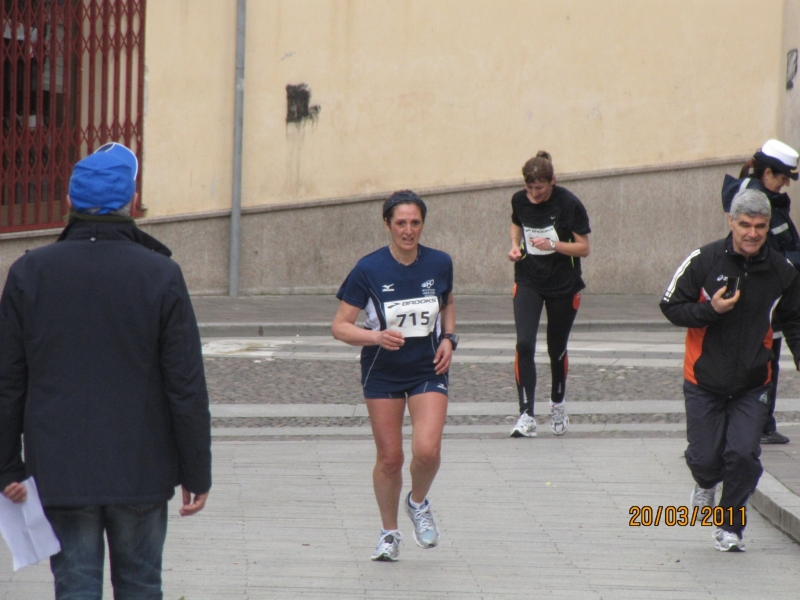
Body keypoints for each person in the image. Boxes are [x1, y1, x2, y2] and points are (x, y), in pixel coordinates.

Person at [0, 143, 212, 598]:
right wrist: (197, 470)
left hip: (60, 467)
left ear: (70, 203)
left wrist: (6, 466)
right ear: (131, 203)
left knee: (74, 585)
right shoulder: (159, 274)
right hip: (141, 467)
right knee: (140, 585)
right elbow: (185, 384)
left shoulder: (29, 272)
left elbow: (8, 381)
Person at [661, 189, 800, 552]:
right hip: (704, 377)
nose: (753, 233)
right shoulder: (704, 260)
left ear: (769, 226)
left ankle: (730, 524)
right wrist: (711, 311)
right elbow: (670, 305)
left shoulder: (782, 272)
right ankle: (705, 481)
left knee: (742, 453)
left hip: (754, 381)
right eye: (745, 225)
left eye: (761, 226)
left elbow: (795, 321)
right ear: (730, 222)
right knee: (705, 457)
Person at [332, 190, 456, 562]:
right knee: (390, 459)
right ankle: (389, 533)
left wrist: (449, 338)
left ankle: (417, 502)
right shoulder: (368, 269)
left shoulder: (439, 263)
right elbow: (340, 326)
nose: (408, 230)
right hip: (382, 371)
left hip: (426, 367)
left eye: (415, 222)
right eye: (400, 223)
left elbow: (447, 302)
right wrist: (375, 336)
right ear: (387, 224)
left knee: (427, 450)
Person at [721, 139, 800, 445]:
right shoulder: (758, 206)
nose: (785, 185)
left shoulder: (769, 202)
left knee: (768, 364)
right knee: (761, 366)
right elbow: (769, 253)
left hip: (775, 299)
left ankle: (762, 422)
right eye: (782, 178)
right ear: (768, 174)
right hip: (764, 300)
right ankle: (756, 423)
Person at [507, 151, 591, 438]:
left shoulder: (569, 203)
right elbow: (517, 221)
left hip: (563, 285)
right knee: (524, 344)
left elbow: (584, 248)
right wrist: (515, 245)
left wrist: (554, 246)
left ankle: (557, 402)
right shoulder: (519, 200)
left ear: (552, 182)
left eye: (539, 188)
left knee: (556, 349)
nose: (533, 194)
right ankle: (526, 414)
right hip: (529, 279)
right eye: (529, 188)